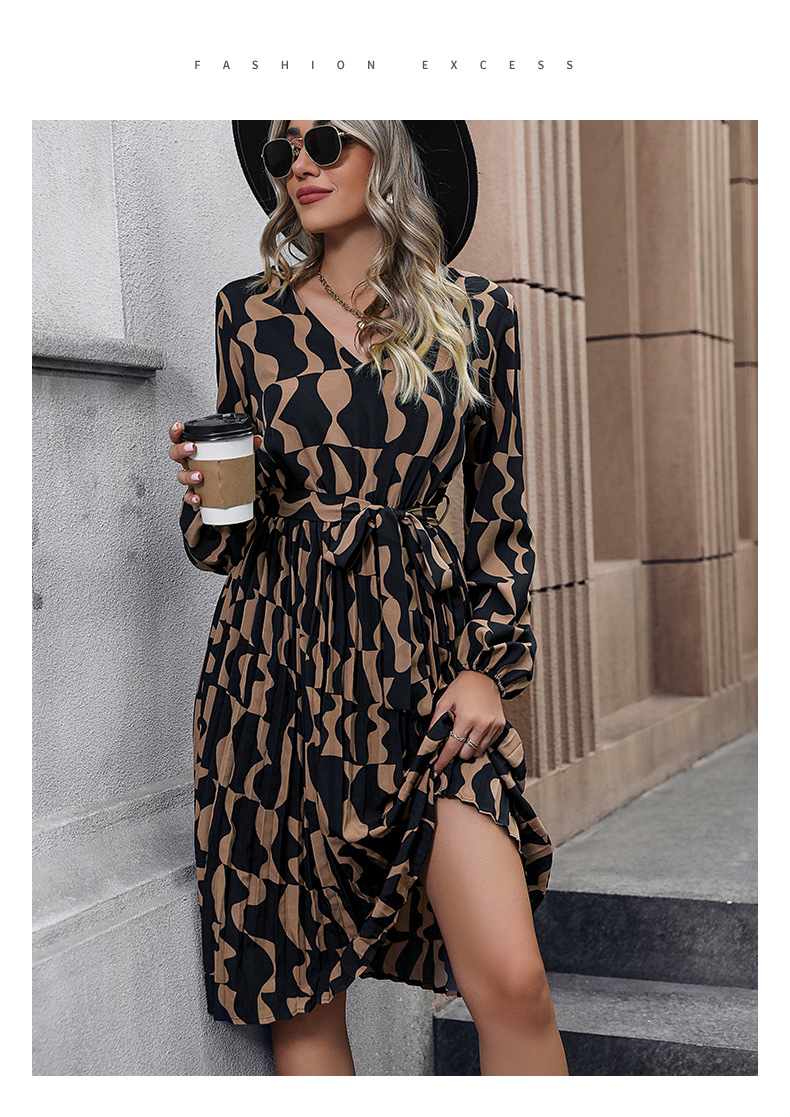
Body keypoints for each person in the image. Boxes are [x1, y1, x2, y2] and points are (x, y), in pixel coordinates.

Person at [168, 120, 568, 1077]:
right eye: (282, 151)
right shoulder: (247, 314)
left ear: (388, 151)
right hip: (275, 677)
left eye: (325, 139)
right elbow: (225, 547)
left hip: (425, 675)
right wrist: (207, 497)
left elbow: (502, 517)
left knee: (514, 983)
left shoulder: (478, 313)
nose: (298, 164)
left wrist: (488, 668)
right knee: (302, 1004)